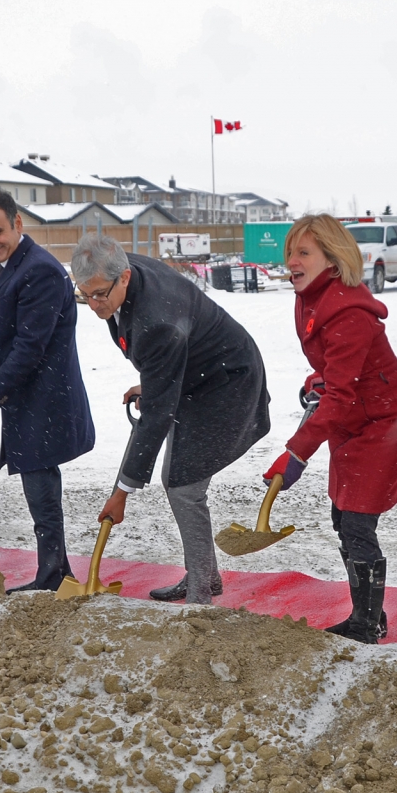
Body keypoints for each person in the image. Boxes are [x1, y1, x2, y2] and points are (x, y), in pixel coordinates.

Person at [71, 234, 270, 605]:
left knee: (184, 486)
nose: (94, 304)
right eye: (86, 294)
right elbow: (163, 357)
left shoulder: (156, 321)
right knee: (179, 481)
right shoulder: (114, 270)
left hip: (228, 383)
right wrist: (155, 380)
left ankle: (200, 595)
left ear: (125, 278)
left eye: (100, 294)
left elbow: (157, 417)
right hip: (195, 374)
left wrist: (122, 492)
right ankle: (205, 578)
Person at [269, 214, 397, 644]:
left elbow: (342, 391)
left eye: (303, 253)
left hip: (386, 419)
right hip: (354, 412)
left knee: (357, 521)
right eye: (289, 253)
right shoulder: (312, 298)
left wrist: (296, 451)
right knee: (342, 516)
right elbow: (337, 374)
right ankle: (366, 614)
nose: (291, 262)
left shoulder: (348, 311)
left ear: (332, 259)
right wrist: (317, 381)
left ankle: (366, 625)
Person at [0, 188, 95, 593]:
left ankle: (53, 575)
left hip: (45, 398)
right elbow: (24, 327)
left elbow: (32, 348)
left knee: (41, 486)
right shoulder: (12, 264)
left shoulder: (40, 270)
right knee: (38, 484)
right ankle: (56, 569)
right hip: (30, 398)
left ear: (18, 223)